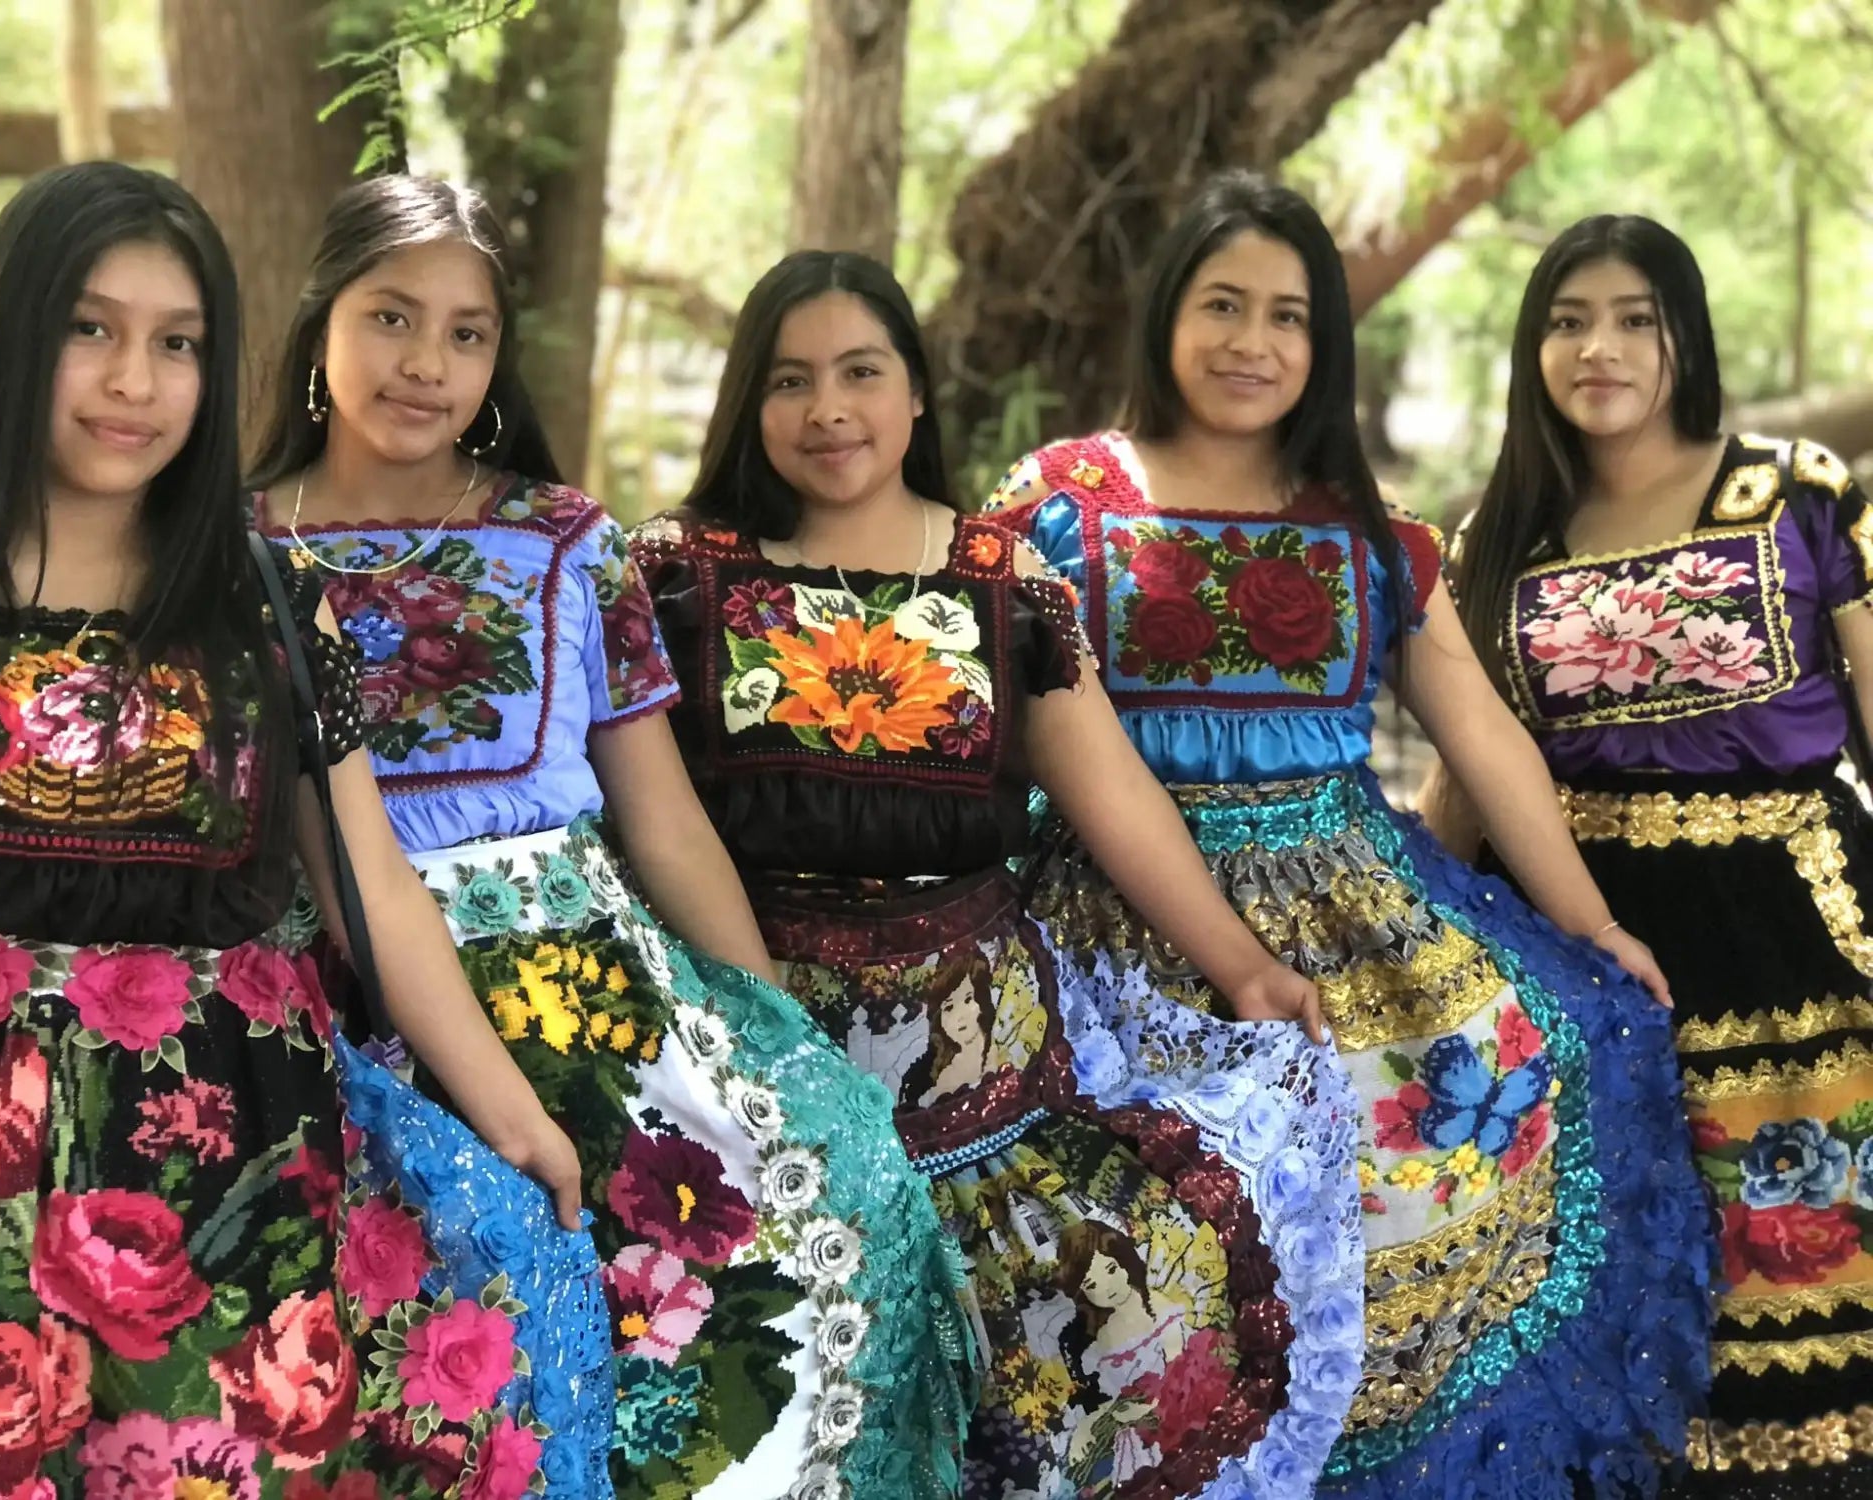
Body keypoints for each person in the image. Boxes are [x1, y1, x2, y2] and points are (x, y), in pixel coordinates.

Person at [987, 172, 1715, 1497]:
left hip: (1351, 910)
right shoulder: (1057, 504)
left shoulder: (1372, 534)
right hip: (1109, 920)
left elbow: (1486, 742)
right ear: (1164, 317)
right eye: (1221, 305)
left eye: (1287, 315)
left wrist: (1592, 923)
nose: (1252, 343)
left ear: (1325, 344)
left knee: (1473, 1111)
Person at [250, 176, 973, 1500]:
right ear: (319, 326)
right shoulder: (231, 548)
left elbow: (661, 813)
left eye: (469, 334)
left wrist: (771, 1023)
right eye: (392, 318)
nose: (428, 364)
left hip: (585, 987)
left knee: (795, 1244)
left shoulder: (566, 541)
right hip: (336, 994)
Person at [0, 161, 586, 1497]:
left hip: (224, 1167)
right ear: (7, 338)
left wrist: (513, 1115)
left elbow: (368, 873)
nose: (133, 380)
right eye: (89, 330)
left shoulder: (273, 608)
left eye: (178, 343)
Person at [632, 249, 1367, 1500]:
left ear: (915, 396)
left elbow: (1112, 791)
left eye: (860, 374)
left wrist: (1240, 964)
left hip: (985, 1087)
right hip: (751, 1065)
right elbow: (648, 819)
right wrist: (768, 1049)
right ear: (745, 404)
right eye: (790, 381)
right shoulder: (672, 573)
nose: (828, 411)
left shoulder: (999, 579)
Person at [1432, 212, 1873, 1500]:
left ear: (1683, 333)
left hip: (1793, 928)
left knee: (1801, 1260)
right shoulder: (1499, 535)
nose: (1598, 347)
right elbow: (1468, 775)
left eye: (1633, 317)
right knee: (1614, 1257)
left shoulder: (1795, 493)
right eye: (1566, 321)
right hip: (1582, 948)